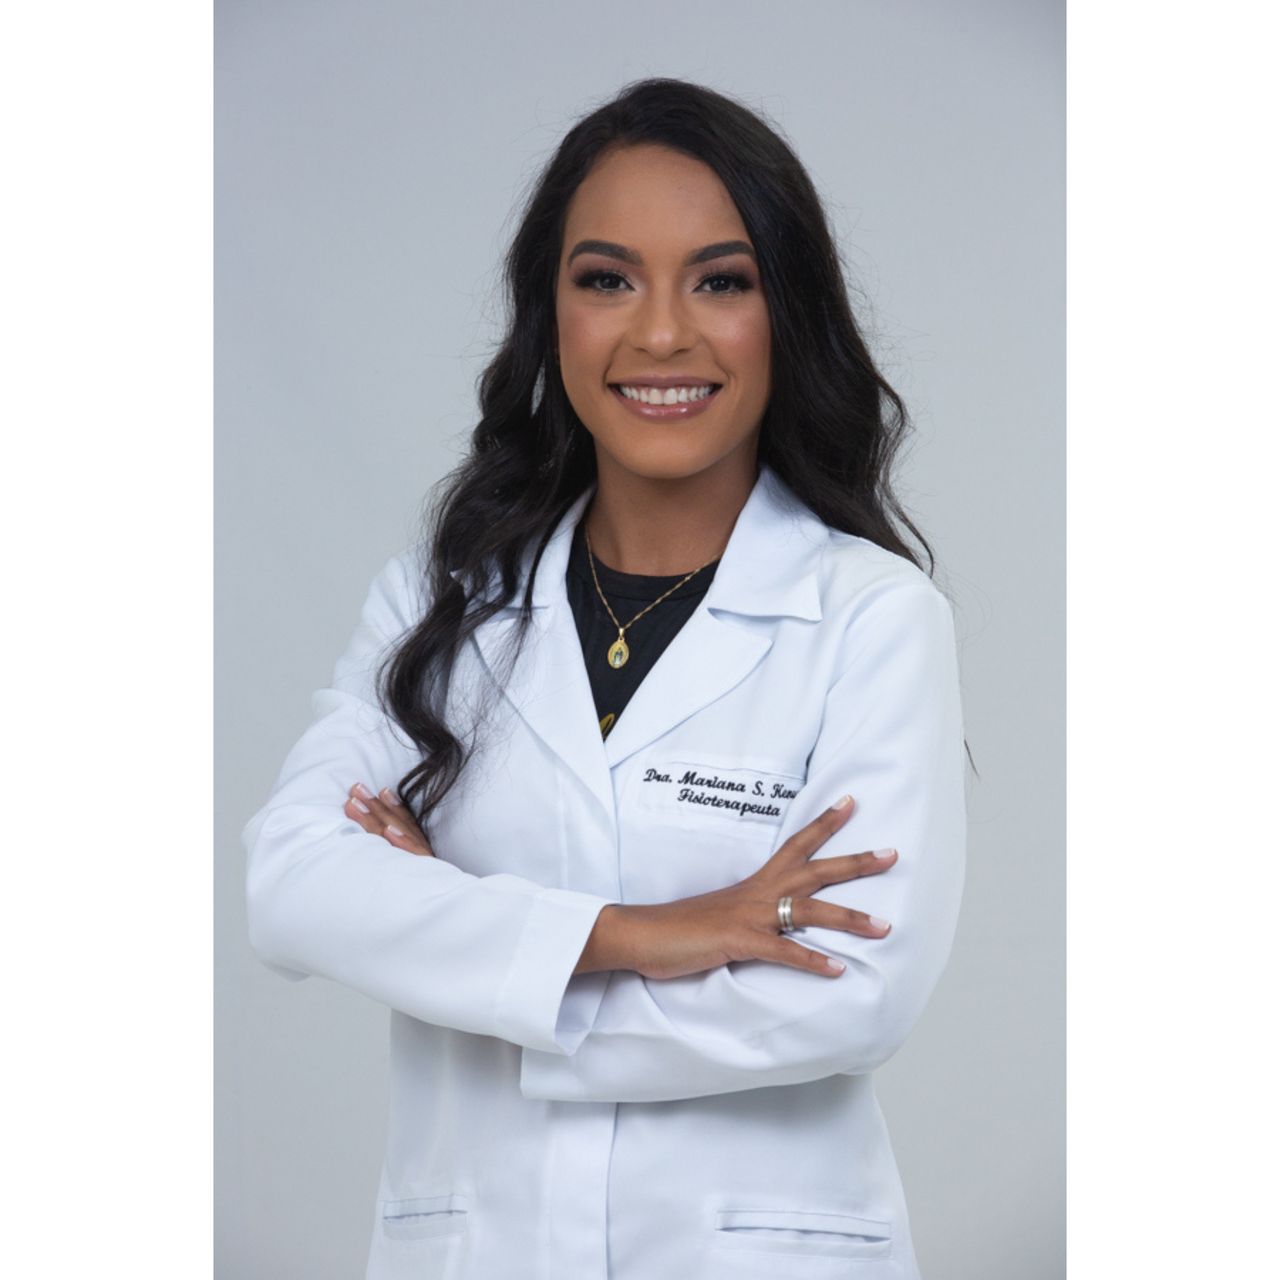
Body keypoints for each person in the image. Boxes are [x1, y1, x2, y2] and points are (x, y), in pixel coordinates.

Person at [243, 77, 968, 1280]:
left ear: (786, 315)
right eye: (606, 279)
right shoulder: (440, 602)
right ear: (550, 315)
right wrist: (643, 933)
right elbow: (292, 885)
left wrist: (473, 953)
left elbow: (851, 990)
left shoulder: (869, 618)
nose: (661, 335)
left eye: (720, 281)